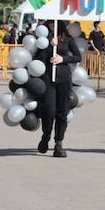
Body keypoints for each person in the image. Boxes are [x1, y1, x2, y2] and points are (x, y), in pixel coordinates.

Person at [35, 24, 82, 158]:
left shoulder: (67, 39)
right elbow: (38, 59)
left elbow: (78, 56)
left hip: (63, 79)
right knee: (49, 111)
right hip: (49, 79)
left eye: (53, 23)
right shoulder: (43, 38)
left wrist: (63, 59)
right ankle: (46, 135)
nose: (51, 26)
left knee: (62, 112)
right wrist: (49, 46)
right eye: (49, 23)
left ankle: (58, 143)